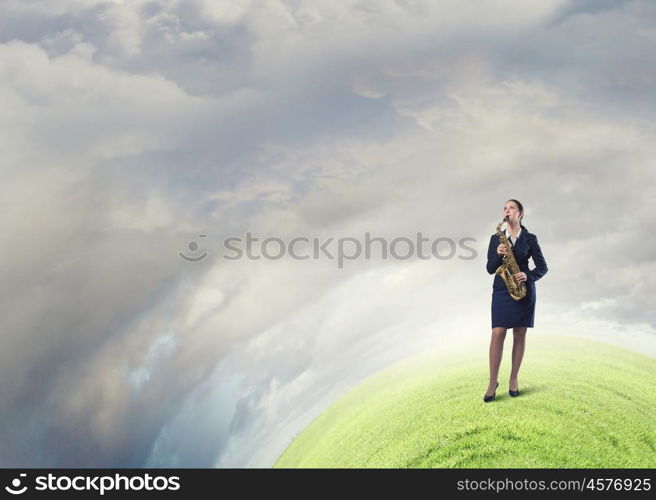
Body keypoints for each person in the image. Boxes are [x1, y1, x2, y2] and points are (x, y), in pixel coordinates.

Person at [483, 199, 548, 402]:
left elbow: (542, 267)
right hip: (502, 289)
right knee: (497, 333)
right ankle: (492, 382)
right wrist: (497, 254)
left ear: (520, 213)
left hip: (524, 291)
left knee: (520, 333)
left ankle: (513, 378)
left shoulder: (530, 238)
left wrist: (528, 275)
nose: (507, 211)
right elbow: (490, 268)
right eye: (504, 208)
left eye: (511, 208)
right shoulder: (496, 239)